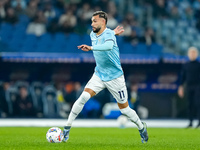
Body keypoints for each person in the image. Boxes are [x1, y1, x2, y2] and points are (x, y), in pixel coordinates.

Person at [63, 11, 148, 143]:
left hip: (115, 77)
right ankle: (67, 129)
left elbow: (108, 45)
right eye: (91, 21)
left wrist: (92, 47)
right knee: (83, 97)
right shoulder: (93, 34)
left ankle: (142, 128)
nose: (92, 24)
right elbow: (103, 37)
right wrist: (113, 33)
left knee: (125, 109)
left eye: (95, 21)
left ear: (103, 22)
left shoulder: (109, 34)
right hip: (99, 74)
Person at [178, 47, 200, 128]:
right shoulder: (186, 65)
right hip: (189, 86)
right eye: (191, 53)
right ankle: (190, 122)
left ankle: (199, 122)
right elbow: (183, 77)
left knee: (198, 104)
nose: (192, 54)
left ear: (196, 54)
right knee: (190, 104)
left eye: (194, 53)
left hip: (198, 86)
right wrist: (180, 87)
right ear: (188, 54)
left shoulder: (198, 64)